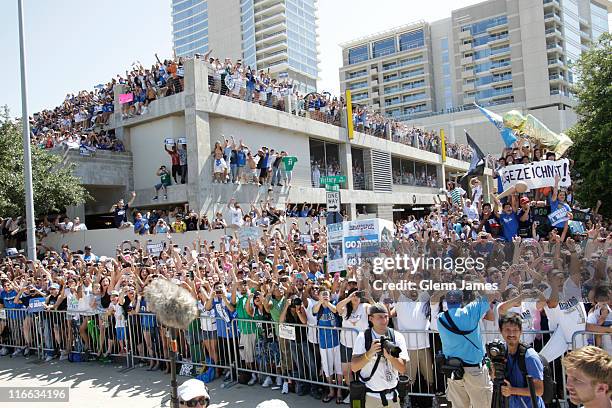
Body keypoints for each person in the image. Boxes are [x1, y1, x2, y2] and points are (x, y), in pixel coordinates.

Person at [436, 290, 493, 408]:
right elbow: (493, 295)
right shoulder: (470, 310)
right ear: (461, 300)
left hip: (453, 371)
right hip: (475, 371)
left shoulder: (440, 318)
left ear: (447, 302)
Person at [351, 303, 409, 408]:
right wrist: (370, 353)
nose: (384, 320)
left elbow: (402, 369)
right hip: (371, 397)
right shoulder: (363, 337)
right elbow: (354, 367)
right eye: (380, 317)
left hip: (393, 397)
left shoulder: (397, 337)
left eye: (386, 316)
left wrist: (391, 357)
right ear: (370, 318)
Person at [497, 313, 544, 408]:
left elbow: (539, 390)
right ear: (500, 331)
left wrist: (512, 390)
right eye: (507, 330)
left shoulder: (530, 356)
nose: (511, 334)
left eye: (515, 330)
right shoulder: (501, 352)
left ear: (521, 331)